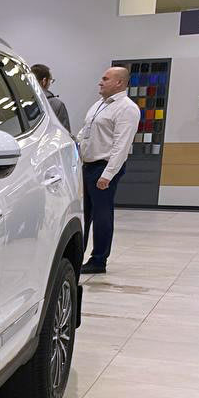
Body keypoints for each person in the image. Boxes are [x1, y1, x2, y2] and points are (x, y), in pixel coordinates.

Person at [76, 66, 141, 275]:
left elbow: (121, 145)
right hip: (88, 165)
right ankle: (77, 256)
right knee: (84, 214)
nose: (100, 82)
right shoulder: (99, 105)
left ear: (119, 82)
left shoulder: (127, 108)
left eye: (105, 78)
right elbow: (85, 132)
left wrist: (108, 174)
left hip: (104, 167)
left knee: (102, 215)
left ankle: (99, 260)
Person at [31, 64, 70, 132]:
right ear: (44, 81)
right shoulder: (57, 105)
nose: (50, 84)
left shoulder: (19, 103)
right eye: (50, 80)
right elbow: (64, 134)